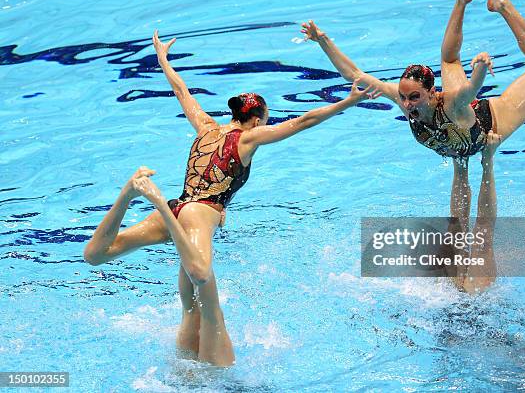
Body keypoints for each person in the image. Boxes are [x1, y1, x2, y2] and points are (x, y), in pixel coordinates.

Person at [83, 30, 381, 366]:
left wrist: (163, 59)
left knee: (110, 260)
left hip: (177, 204)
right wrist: (348, 101)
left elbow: (182, 91)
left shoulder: (206, 126)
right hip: (198, 213)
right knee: (201, 276)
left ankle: (186, 359)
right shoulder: (248, 138)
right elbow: (305, 120)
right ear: (255, 120)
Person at [301, 0, 525, 160]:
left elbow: (471, 90)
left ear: (432, 92)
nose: (406, 103)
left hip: (490, 121)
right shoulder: (403, 100)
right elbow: (354, 74)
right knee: (449, 60)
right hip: (461, 123)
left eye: (414, 97)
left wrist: (480, 67)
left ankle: (502, 5)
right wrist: (322, 40)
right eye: (403, 97)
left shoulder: (449, 100)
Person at [447, 131, 501, 294]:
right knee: (481, 241)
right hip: (477, 304)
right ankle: (486, 161)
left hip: (451, 302)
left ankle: (461, 160)